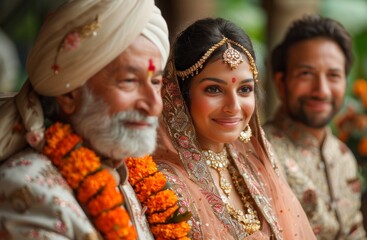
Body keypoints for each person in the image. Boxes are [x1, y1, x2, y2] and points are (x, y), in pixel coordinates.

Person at [0, 0, 171, 239]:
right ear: (69, 94)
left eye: (156, 82)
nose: (154, 105)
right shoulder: (27, 188)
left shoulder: (130, 178)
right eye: (129, 81)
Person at [153, 17, 316, 240]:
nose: (234, 107)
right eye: (213, 89)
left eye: (245, 89)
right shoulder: (166, 186)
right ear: (181, 96)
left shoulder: (254, 169)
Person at [263, 14, 367, 239]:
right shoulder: (261, 153)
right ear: (281, 83)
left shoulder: (343, 156)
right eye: (306, 74)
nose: (322, 90)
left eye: (333, 75)